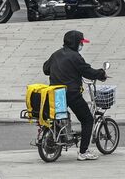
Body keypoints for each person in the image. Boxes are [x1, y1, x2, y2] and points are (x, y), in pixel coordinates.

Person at [43, 30, 107, 161]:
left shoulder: (56, 54)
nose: (81, 45)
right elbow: (87, 72)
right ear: (76, 43)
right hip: (72, 94)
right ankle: (83, 152)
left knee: (58, 116)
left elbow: (45, 69)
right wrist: (101, 74)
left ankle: (59, 138)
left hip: (56, 93)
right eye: (80, 43)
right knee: (87, 119)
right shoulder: (75, 57)